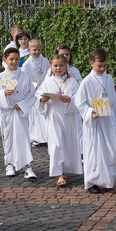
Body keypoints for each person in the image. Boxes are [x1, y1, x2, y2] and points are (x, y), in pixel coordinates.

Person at [74, 48, 116, 194]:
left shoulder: (109, 79)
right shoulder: (87, 81)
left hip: (108, 120)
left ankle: (107, 180)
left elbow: (113, 100)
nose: (102, 69)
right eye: (99, 66)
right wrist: (90, 112)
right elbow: (79, 102)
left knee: (112, 150)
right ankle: (92, 182)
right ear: (91, 63)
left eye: (104, 66)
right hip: (94, 122)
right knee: (94, 152)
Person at [0, 48, 37, 179]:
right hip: (7, 113)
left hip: (20, 112)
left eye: (16, 59)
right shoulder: (0, 77)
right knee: (8, 139)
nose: (14, 62)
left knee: (24, 138)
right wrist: (3, 94)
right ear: (5, 60)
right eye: (11, 59)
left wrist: (21, 105)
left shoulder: (25, 76)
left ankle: (27, 166)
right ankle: (9, 164)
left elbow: (32, 95)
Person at [35, 55, 82, 186]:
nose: (58, 68)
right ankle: (58, 174)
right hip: (54, 116)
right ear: (51, 66)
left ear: (66, 66)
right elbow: (38, 95)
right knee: (56, 144)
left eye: (61, 65)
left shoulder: (72, 82)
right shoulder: (48, 81)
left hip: (68, 116)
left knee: (67, 144)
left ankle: (66, 169)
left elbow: (79, 99)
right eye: (55, 66)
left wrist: (70, 100)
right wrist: (42, 100)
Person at [54, 44, 84, 155]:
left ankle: (80, 151)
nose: (65, 56)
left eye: (67, 54)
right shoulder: (52, 70)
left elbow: (81, 85)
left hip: (72, 102)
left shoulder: (74, 71)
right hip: (59, 105)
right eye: (62, 54)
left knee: (78, 128)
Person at [23, 39, 49, 147]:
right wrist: (36, 86)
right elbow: (26, 79)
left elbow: (49, 74)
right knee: (35, 115)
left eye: (39, 50)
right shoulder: (26, 64)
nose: (37, 52)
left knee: (45, 112)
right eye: (34, 50)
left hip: (45, 90)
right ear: (29, 50)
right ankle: (35, 137)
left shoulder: (46, 61)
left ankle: (46, 136)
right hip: (34, 91)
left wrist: (46, 85)